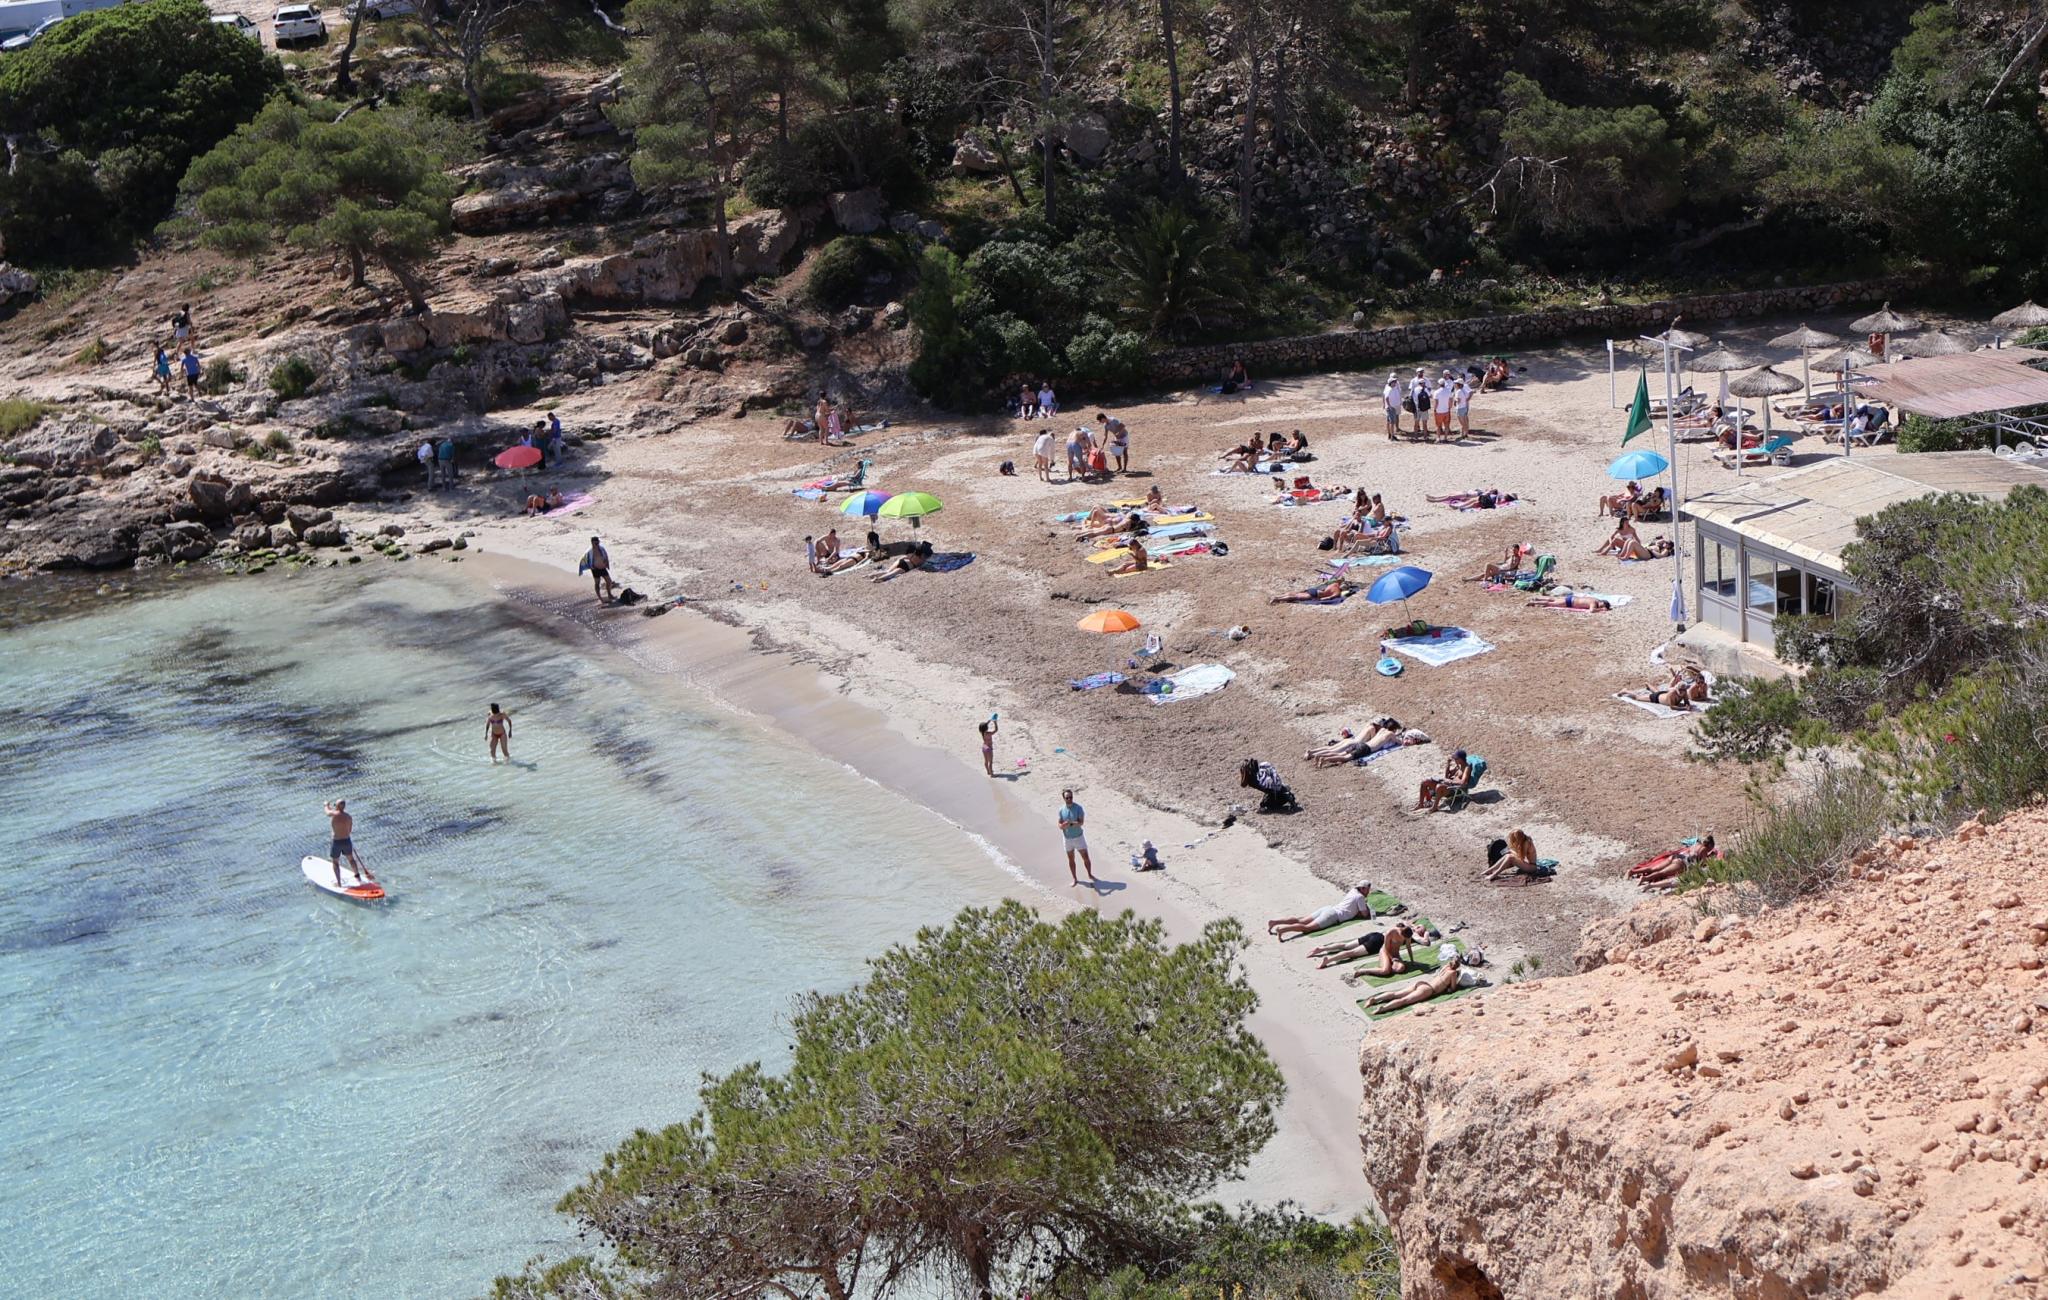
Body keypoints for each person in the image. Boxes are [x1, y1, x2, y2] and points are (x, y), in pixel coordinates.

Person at [1267, 880, 1375, 940]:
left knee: (1301, 920)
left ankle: (1275, 922)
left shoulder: (1353, 891)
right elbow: (1364, 914)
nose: (1368, 892)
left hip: (1329, 908)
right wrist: (1366, 908)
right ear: (1363, 888)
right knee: (1307, 928)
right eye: (1367, 890)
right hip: (1333, 916)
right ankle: (1282, 930)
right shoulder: (1360, 897)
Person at [1362, 953, 1465, 1014]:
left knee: (1396, 994)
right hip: (1428, 990)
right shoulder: (1453, 973)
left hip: (1422, 983)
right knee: (1404, 1000)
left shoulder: (1445, 967)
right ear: (1458, 966)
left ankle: (1375, 999)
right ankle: (1383, 1008)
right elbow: (1452, 989)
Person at [1315, 921, 1417, 973]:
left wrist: (1412, 960)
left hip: (1375, 935)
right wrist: (1393, 959)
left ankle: (1322, 949)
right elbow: (1386, 948)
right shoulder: (1397, 933)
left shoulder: (1403, 929)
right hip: (1375, 943)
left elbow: (1408, 947)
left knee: (1346, 945)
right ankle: (1328, 960)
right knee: (1352, 953)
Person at [323, 798, 374, 887]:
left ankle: (339, 883)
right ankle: (358, 877)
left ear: (337, 807)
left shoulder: (334, 814)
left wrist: (326, 805)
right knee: (351, 859)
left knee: (335, 862)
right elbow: (349, 830)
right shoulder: (349, 817)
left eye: (335, 805)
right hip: (347, 840)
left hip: (337, 842)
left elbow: (327, 812)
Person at [1058, 789, 1096, 886]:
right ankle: (1075, 878)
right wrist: (1063, 825)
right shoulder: (1061, 810)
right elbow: (1059, 824)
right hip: (1067, 838)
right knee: (1071, 859)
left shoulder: (1078, 808)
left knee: (1086, 858)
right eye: (1067, 798)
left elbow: (1081, 822)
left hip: (1078, 837)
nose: (1069, 799)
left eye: (1071, 797)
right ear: (1064, 798)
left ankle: (1090, 874)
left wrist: (1071, 823)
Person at [1271, 577, 1349, 605]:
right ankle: (1277, 599)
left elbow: (1339, 579)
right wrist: (1321, 600)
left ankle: (1278, 597)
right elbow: (1330, 598)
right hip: (1316, 594)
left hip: (1314, 589)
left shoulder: (1335, 584)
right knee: (1295, 597)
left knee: (1295, 593)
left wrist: (1342, 580)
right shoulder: (1337, 592)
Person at [585, 536, 616, 603]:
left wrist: (607, 564)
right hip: (595, 569)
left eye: (598, 542)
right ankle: (600, 598)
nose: (597, 543)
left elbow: (606, 556)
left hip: (603, 568)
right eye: (596, 542)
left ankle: (609, 594)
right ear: (592, 542)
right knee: (597, 583)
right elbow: (586, 560)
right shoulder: (589, 551)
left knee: (609, 581)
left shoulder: (601, 548)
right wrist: (591, 567)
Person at [1527, 591, 1612, 612]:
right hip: (1570, 602)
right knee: (1551, 603)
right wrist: (1601, 610)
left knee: (1552, 599)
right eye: (1602, 606)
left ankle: (1537, 598)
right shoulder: (1594, 603)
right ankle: (1534, 603)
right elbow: (1591, 610)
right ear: (1602, 603)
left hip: (1572, 598)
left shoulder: (1594, 599)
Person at [1431, 373, 1455, 439]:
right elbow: (1451, 401)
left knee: (1438, 426)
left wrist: (1435, 409)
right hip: (1446, 410)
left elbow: (1436, 403)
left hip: (1439, 411)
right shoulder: (1448, 391)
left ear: (1439, 384)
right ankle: (1445, 438)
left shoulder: (1436, 392)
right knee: (1446, 425)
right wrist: (1449, 408)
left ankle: (1438, 438)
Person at [1382, 372, 1402, 441]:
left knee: (1389, 421)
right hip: (1391, 407)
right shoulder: (1389, 389)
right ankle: (1392, 436)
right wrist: (1389, 406)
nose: (1395, 383)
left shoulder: (1391, 388)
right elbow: (1386, 397)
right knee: (1392, 422)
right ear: (1391, 383)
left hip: (1393, 406)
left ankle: (1390, 434)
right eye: (1394, 382)